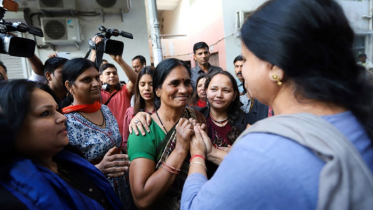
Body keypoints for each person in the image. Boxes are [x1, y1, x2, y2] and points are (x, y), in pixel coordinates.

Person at [181, 0, 373, 209]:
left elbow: (193, 206)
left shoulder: (264, 145)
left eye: (246, 59)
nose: (242, 70)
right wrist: (214, 154)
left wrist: (198, 155)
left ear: (275, 67)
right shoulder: (358, 119)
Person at [0, 80, 122, 210]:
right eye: (45, 113)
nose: (62, 118)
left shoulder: (70, 161)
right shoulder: (13, 199)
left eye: (57, 110)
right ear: (10, 125)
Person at [127, 58, 205, 210]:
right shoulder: (143, 130)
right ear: (157, 90)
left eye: (187, 83)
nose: (183, 90)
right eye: (174, 83)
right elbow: (142, 199)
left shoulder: (197, 117)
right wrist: (180, 149)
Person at [61, 58, 131, 208]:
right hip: (96, 193)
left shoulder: (104, 109)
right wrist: (98, 169)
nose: (96, 84)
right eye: (87, 80)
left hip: (124, 186)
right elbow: (64, 171)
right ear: (69, 86)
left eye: (96, 78)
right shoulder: (64, 122)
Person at [192, 70, 246, 177]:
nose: (219, 95)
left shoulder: (246, 121)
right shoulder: (195, 116)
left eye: (226, 90)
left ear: (235, 95)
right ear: (206, 91)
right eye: (214, 89)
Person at [99, 61, 136, 143]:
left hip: (128, 139)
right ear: (101, 77)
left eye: (114, 73)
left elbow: (135, 80)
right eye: (108, 73)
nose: (112, 75)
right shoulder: (97, 94)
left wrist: (120, 60)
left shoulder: (125, 90)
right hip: (107, 141)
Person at [123, 66, 155, 148]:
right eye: (142, 84)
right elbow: (125, 143)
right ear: (138, 87)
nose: (147, 88)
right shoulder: (131, 112)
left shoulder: (165, 111)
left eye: (151, 84)